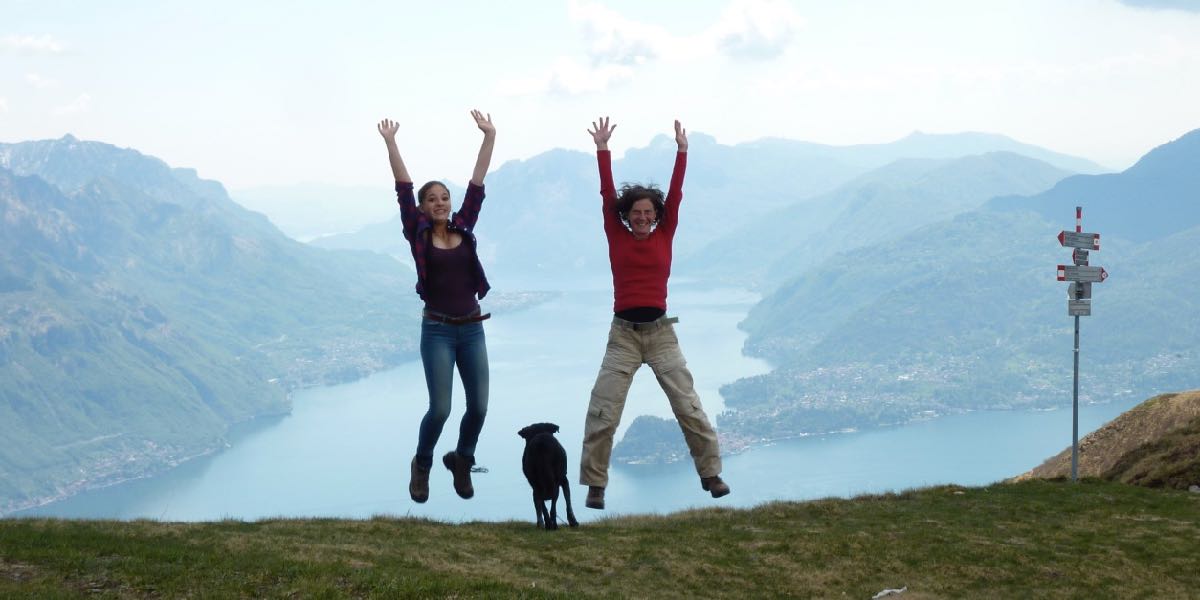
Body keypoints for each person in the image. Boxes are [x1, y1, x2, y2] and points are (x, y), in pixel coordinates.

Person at [579, 116, 730, 510]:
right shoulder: (616, 234)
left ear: (656, 215)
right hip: (624, 335)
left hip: (661, 333)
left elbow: (676, 193)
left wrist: (682, 150)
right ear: (626, 216)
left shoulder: (666, 231)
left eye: (648, 212)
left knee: (688, 406)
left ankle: (711, 475)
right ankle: (596, 484)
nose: (643, 217)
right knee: (604, 409)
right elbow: (606, 192)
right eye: (636, 213)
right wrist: (602, 148)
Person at [377, 110, 496, 503]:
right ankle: (423, 463)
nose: (441, 203)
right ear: (423, 208)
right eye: (432, 199)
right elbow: (402, 186)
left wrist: (488, 136)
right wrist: (391, 143)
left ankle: (462, 460)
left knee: (478, 408)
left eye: (444, 197)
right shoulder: (417, 232)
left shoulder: (465, 225)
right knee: (441, 409)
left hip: (472, 327)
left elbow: (478, 182)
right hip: (438, 331)